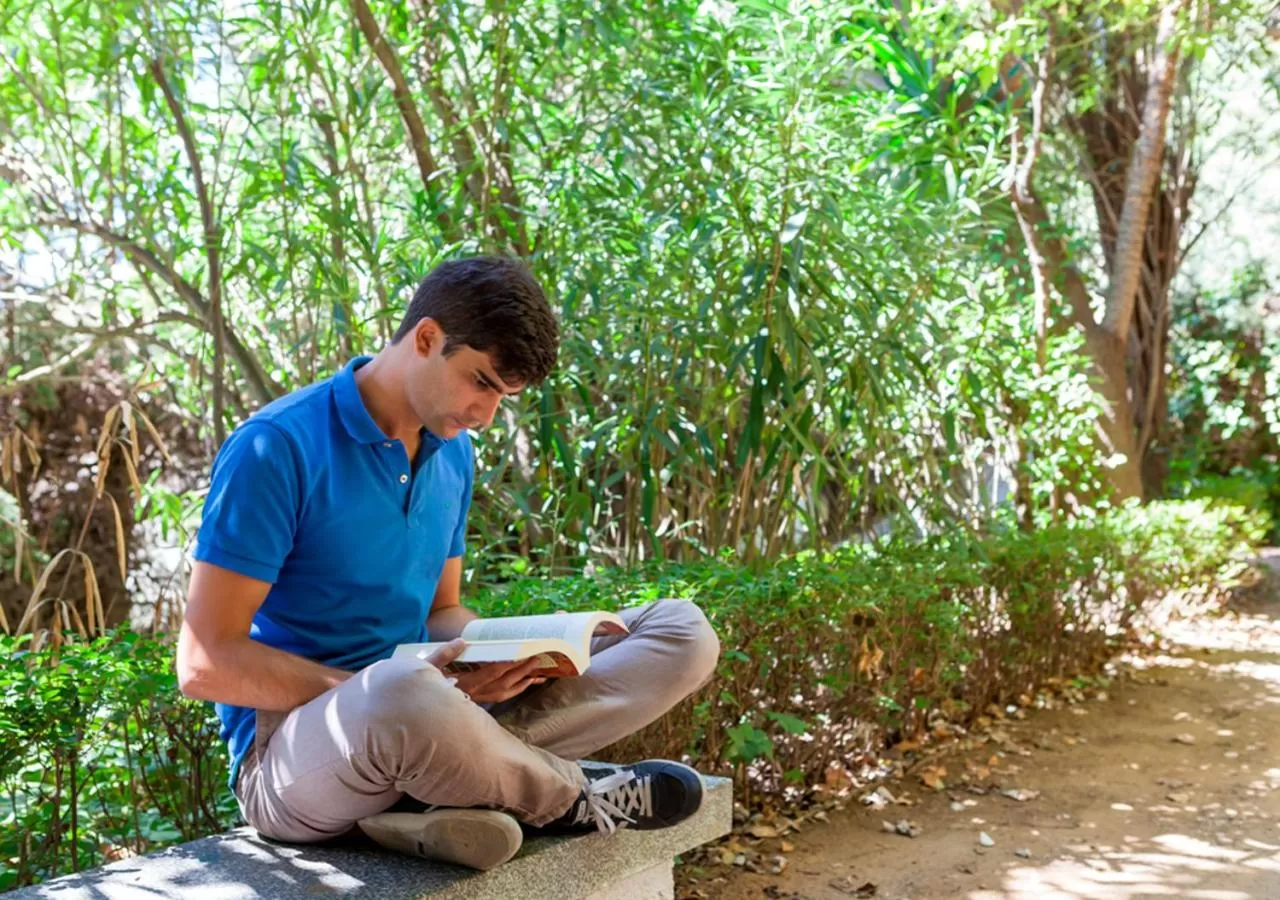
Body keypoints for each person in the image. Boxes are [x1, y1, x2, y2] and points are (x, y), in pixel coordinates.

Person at [175, 256, 720, 871]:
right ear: (427, 338)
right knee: (398, 692)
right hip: (294, 755)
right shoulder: (275, 447)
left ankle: (443, 792)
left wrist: (519, 651)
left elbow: (442, 612)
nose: (485, 415)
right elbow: (203, 664)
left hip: (429, 708)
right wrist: (401, 688)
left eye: (503, 397)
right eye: (480, 382)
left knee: (680, 630)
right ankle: (575, 796)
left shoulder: (452, 453)